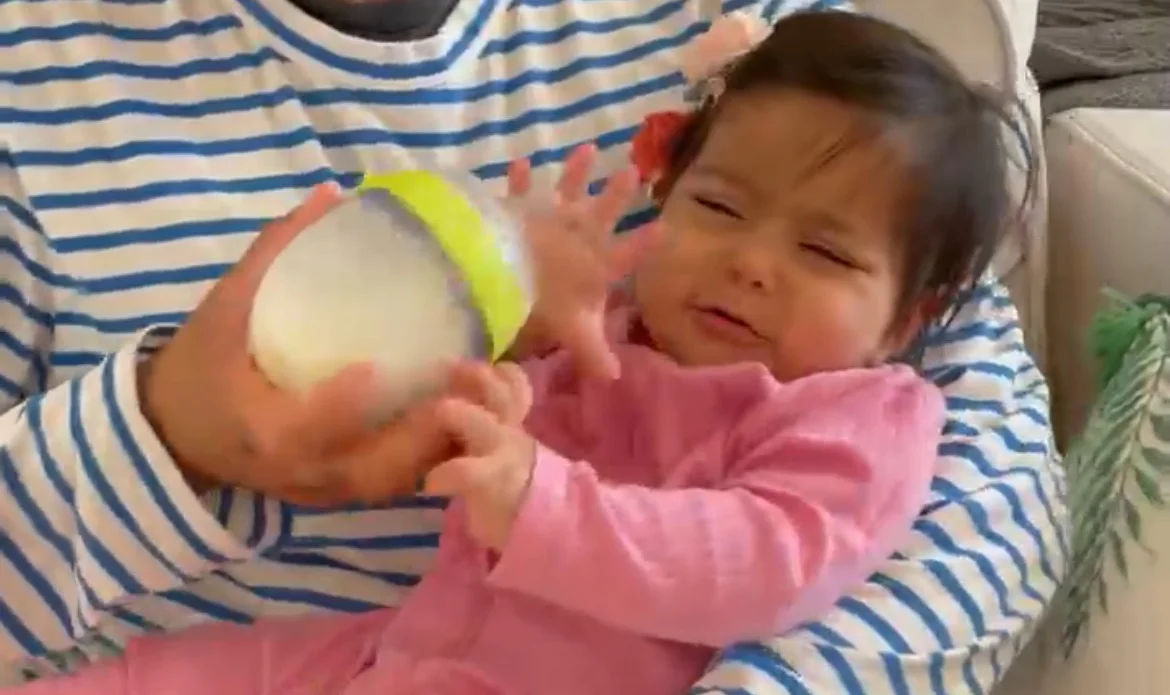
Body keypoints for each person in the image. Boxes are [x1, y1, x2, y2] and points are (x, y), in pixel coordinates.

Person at [0, 0, 1065, 692]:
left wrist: (539, 490)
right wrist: (162, 437)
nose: (750, 264)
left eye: (821, 250)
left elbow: (985, 498)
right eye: (719, 207)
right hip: (389, 645)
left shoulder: (793, 67)